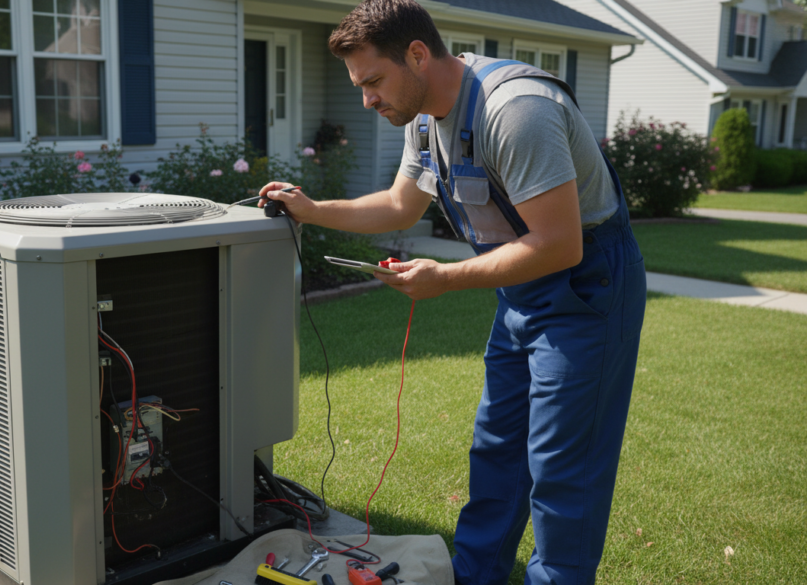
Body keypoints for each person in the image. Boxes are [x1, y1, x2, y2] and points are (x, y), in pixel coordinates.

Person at [258, 0, 647, 583]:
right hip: (521, 294)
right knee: (497, 452)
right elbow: (398, 205)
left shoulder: (515, 112)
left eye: (373, 81)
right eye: (359, 85)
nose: (366, 99)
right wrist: (312, 211)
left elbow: (560, 244)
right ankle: (475, 575)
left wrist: (443, 278)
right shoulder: (424, 119)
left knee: (565, 470)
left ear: (417, 55)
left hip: (587, 290)